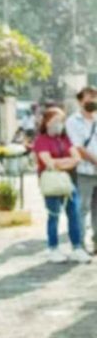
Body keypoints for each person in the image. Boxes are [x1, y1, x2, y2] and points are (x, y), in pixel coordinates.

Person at [34, 107, 91, 264]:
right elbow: (49, 163)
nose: (59, 124)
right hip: (51, 183)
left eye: (61, 121)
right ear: (46, 122)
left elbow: (77, 158)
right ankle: (53, 248)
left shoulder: (65, 139)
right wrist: (66, 162)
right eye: (55, 120)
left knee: (74, 215)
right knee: (53, 216)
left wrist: (60, 163)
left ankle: (77, 248)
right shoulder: (41, 140)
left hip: (68, 183)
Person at [66, 87, 97, 251]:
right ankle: (79, 245)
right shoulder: (73, 121)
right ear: (80, 100)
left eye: (95, 97)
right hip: (83, 172)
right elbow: (77, 147)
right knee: (81, 209)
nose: (93, 100)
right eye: (89, 97)